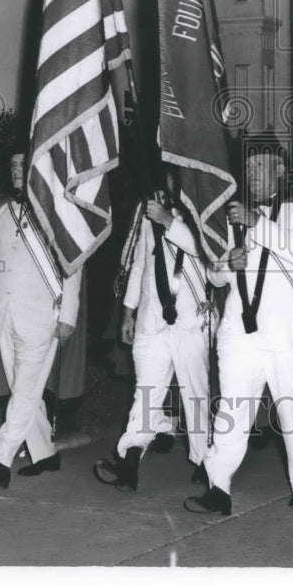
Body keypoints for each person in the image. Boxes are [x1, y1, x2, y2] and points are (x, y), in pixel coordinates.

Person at [184, 134, 293, 516]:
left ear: (280, 170)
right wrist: (224, 266)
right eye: (248, 168)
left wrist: (257, 223)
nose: (252, 174)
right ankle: (219, 486)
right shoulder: (232, 214)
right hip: (239, 335)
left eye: (260, 166)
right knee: (231, 413)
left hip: (285, 334)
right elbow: (213, 273)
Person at [0, 152, 80, 488]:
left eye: (21, 164)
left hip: (42, 317)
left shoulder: (56, 211)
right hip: (6, 317)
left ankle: (1, 455)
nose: (14, 168)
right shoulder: (2, 212)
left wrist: (69, 314)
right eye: (11, 163)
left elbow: (73, 264)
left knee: (25, 388)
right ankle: (45, 452)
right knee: (25, 389)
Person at [93, 178, 217, 491]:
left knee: (195, 395)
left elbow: (210, 253)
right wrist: (129, 311)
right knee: (146, 394)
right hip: (152, 319)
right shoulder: (148, 206)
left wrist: (168, 221)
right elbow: (139, 263)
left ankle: (207, 462)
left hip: (192, 319)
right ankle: (130, 463)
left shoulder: (205, 206)